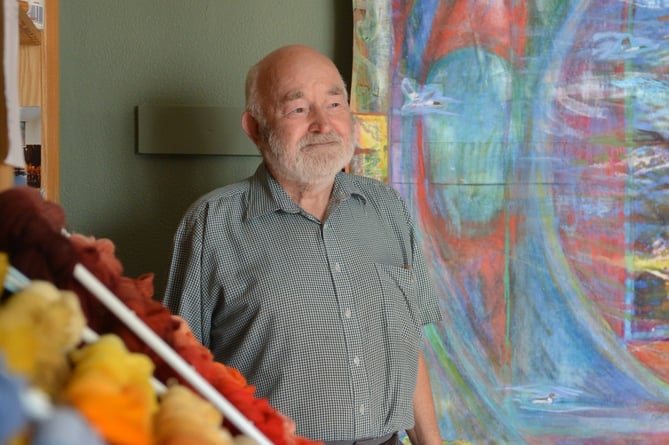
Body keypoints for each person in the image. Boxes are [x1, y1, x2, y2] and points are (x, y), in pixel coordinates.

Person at [162, 44, 443, 445]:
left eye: (334, 104)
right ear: (255, 128)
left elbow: (406, 347)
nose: (323, 125)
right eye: (297, 109)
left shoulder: (387, 208)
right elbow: (179, 374)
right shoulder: (211, 225)